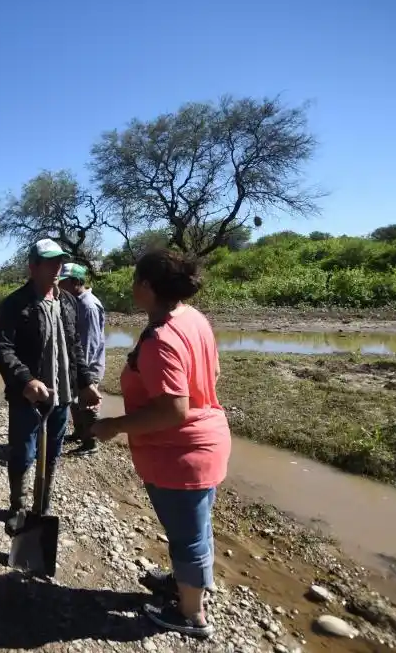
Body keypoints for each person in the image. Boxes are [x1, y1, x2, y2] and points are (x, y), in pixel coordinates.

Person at [89, 249, 231, 640]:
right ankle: (189, 582)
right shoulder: (192, 318)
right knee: (195, 525)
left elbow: (173, 410)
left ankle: (191, 614)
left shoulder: (161, 339)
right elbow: (212, 370)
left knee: (189, 533)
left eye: (135, 281)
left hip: (182, 454)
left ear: (148, 287)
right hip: (207, 441)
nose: (132, 287)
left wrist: (115, 425)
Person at [0, 238, 102, 534]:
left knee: (52, 452)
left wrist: (86, 383)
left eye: (60, 261)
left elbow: (75, 345)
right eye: (51, 262)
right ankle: (18, 506)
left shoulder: (66, 301)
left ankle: (43, 504)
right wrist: (26, 380)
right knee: (23, 453)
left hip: (62, 395)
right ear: (33, 267)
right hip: (28, 398)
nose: (57, 267)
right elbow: (3, 350)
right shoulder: (16, 304)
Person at [57, 262, 106, 455]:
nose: (60, 286)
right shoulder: (74, 301)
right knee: (75, 401)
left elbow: (90, 342)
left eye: (64, 282)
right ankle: (79, 432)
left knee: (88, 403)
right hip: (77, 364)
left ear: (76, 282)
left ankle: (91, 443)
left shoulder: (88, 305)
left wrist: (82, 373)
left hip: (88, 365)